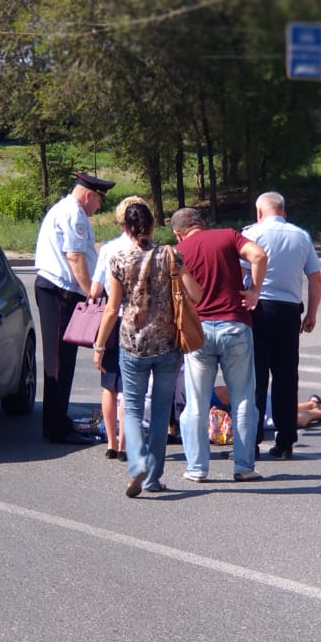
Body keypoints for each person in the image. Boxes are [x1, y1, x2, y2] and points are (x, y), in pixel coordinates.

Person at [92, 203, 200, 497]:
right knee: (162, 410)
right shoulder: (170, 255)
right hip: (167, 343)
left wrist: (100, 345)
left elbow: (112, 308)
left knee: (134, 409)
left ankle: (136, 461)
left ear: (126, 228)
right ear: (153, 226)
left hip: (131, 343)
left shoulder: (118, 258)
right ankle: (153, 478)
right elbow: (195, 293)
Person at [171, 207, 269, 483]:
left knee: (196, 403)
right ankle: (243, 466)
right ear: (202, 223)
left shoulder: (179, 250)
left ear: (179, 233)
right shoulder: (228, 236)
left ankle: (197, 468)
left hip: (198, 329)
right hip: (235, 325)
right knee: (243, 399)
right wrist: (254, 291)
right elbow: (259, 255)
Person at [34, 171, 114, 446]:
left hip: (60, 292)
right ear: (89, 195)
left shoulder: (70, 210)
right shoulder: (73, 214)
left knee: (64, 360)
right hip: (59, 293)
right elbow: (75, 257)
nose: (99, 207)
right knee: (58, 361)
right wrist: (89, 291)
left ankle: (58, 422)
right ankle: (56, 427)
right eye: (99, 201)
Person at [242, 192, 321, 460]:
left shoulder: (251, 234)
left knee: (254, 378)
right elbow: (315, 278)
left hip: (257, 308)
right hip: (289, 311)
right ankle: (286, 441)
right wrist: (311, 313)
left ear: (259, 212)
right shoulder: (301, 236)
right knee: (286, 377)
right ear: (284, 211)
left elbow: (240, 271)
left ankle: (250, 441)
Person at [89, 196, 150, 461]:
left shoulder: (110, 249)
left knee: (108, 385)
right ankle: (126, 445)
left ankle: (111, 443)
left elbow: (95, 290)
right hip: (142, 323)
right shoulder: (154, 251)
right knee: (130, 389)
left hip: (114, 322)